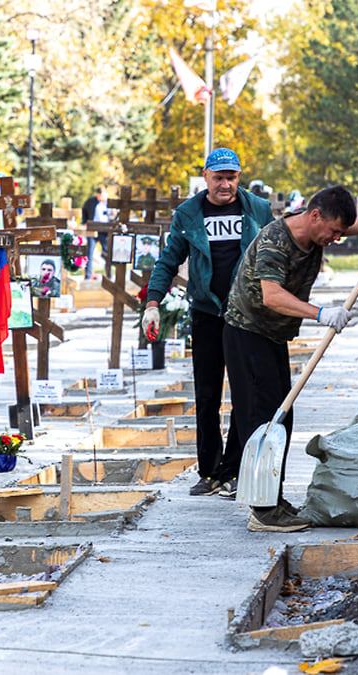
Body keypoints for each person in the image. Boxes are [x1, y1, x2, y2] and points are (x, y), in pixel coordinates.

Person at [222, 185, 358, 531]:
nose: (336, 238)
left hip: (271, 334)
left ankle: (272, 498)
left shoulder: (323, 227)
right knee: (263, 418)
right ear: (314, 215)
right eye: (333, 231)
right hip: (246, 331)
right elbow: (272, 296)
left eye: (339, 233)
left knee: (280, 416)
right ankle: (263, 510)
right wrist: (321, 314)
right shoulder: (276, 241)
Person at [142, 148, 275, 497]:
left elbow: (275, 256)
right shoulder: (188, 214)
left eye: (232, 177)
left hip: (245, 316)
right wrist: (153, 302)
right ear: (206, 177)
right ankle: (210, 471)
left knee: (246, 395)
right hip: (207, 313)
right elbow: (168, 261)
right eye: (219, 177)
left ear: (239, 177)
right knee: (207, 394)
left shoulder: (258, 210)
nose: (226, 184)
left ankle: (233, 469)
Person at [83, 187, 110, 279]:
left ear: (106, 194)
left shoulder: (110, 203)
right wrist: (85, 221)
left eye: (102, 195)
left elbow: (116, 215)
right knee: (89, 252)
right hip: (92, 229)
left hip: (105, 231)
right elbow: (84, 210)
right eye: (99, 195)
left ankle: (109, 275)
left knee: (107, 253)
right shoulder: (91, 202)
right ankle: (87, 275)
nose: (100, 198)